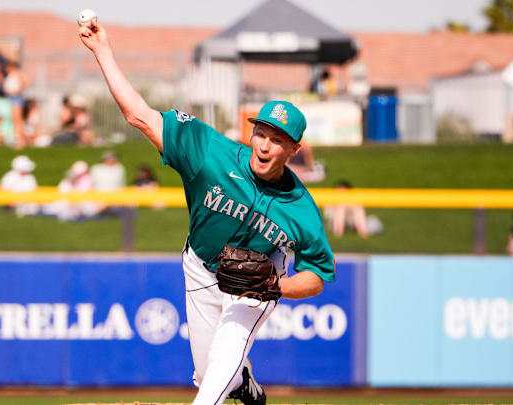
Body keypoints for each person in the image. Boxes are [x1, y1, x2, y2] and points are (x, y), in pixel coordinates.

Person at [79, 21, 335, 405]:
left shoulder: (301, 209)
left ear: (293, 150)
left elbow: (317, 276)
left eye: (277, 139)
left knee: (225, 357)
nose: (265, 145)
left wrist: (273, 287)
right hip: (200, 266)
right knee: (209, 372)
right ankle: (245, 384)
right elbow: (140, 116)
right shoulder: (209, 154)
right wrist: (102, 51)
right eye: (261, 133)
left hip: (259, 279)